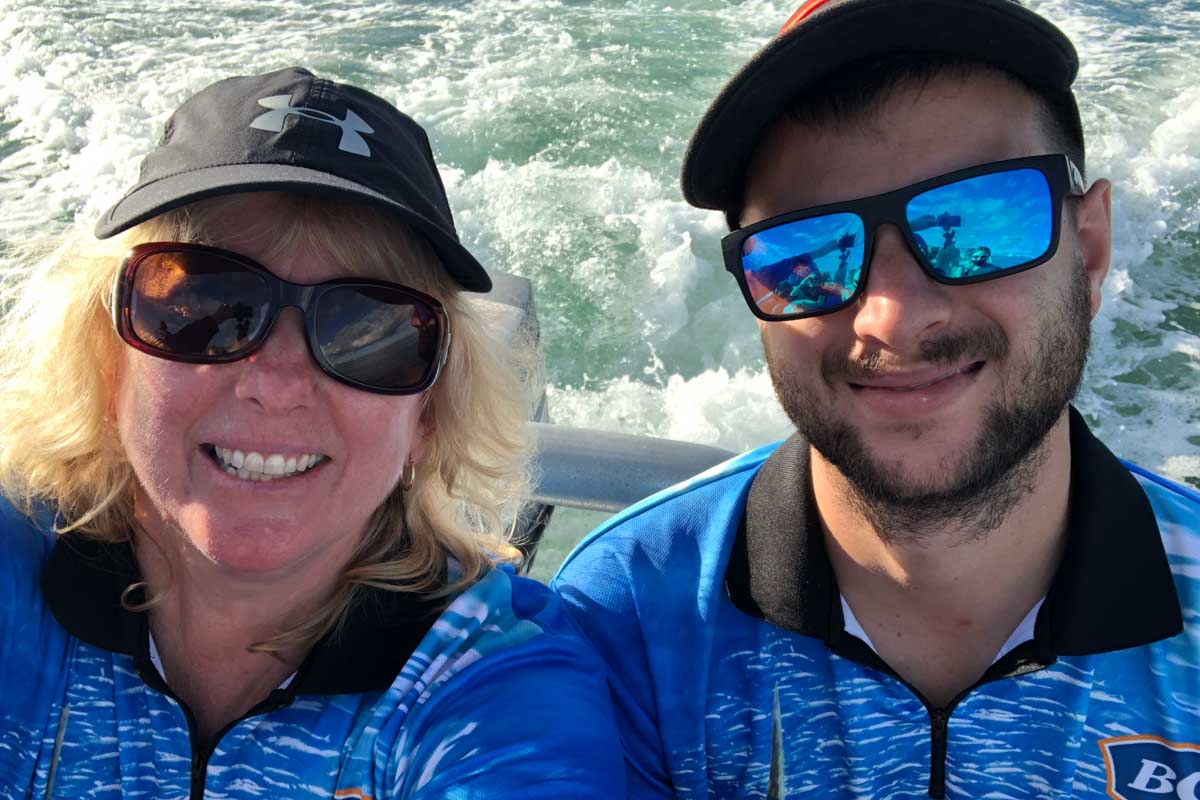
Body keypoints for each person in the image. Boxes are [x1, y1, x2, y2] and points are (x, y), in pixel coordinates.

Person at [553, 2, 1199, 798]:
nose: (893, 316)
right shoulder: (629, 625)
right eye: (808, 252)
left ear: (1091, 249)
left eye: (976, 221)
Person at [0, 67, 624, 798]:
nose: (277, 384)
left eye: (369, 331)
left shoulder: (494, 693)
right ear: (108, 356)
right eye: (205, 304)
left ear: (429, 414)